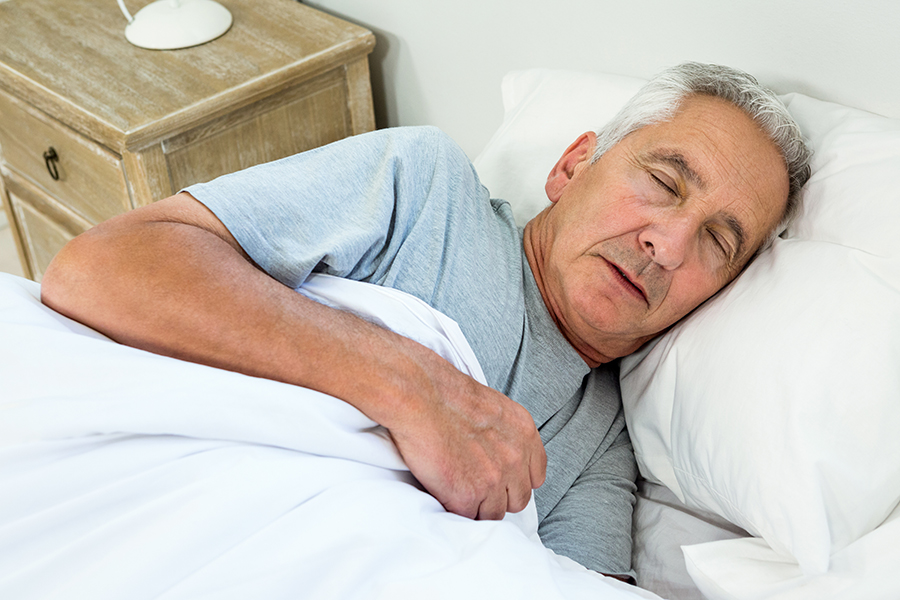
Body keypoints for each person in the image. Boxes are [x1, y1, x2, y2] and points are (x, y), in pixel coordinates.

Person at [40, 62, 811, 579]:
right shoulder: (425, 190)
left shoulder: (601, 446)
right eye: (664, 182)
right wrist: (411, 389)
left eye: (717, 242)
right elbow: (104, 266)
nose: (667, 245)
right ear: (574, 164)